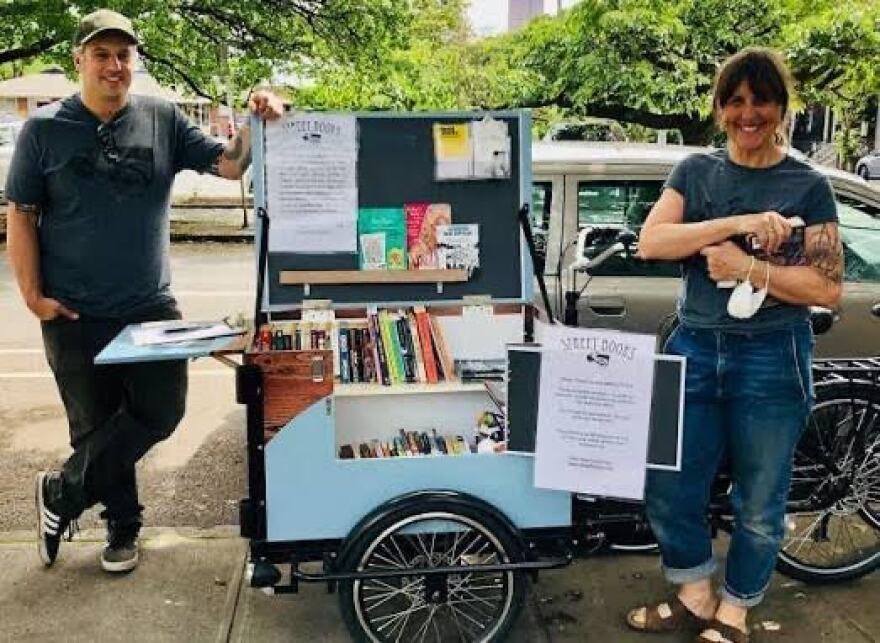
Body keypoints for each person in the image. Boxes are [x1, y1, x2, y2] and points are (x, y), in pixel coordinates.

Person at [5, 9, 284, 573]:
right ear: (78, 60)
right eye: (102, 54)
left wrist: (258, 117)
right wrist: (33, 298)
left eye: (124, 55)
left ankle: (59, 494)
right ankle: (122, 529)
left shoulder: (162, 119)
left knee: (160, 412)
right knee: (95, 425)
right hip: (71, 309)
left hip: (149, 306)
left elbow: (230, 166)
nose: (114, 65)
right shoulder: (43, 131)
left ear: (135, 61)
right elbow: (22, 217)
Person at [627, 48, 843, 643]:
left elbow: (827, 286)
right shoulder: (696, 172)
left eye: (762, 101)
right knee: (669, 483)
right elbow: (653, 241)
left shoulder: (808, 185)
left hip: (774, 354)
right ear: (721, 107)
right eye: (736, 101)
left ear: (780, 108)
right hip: (695, 346)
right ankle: (695, 592)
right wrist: (736, 223)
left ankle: (736, 610)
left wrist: (751, 268)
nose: (748, 114)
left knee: (759, 500)